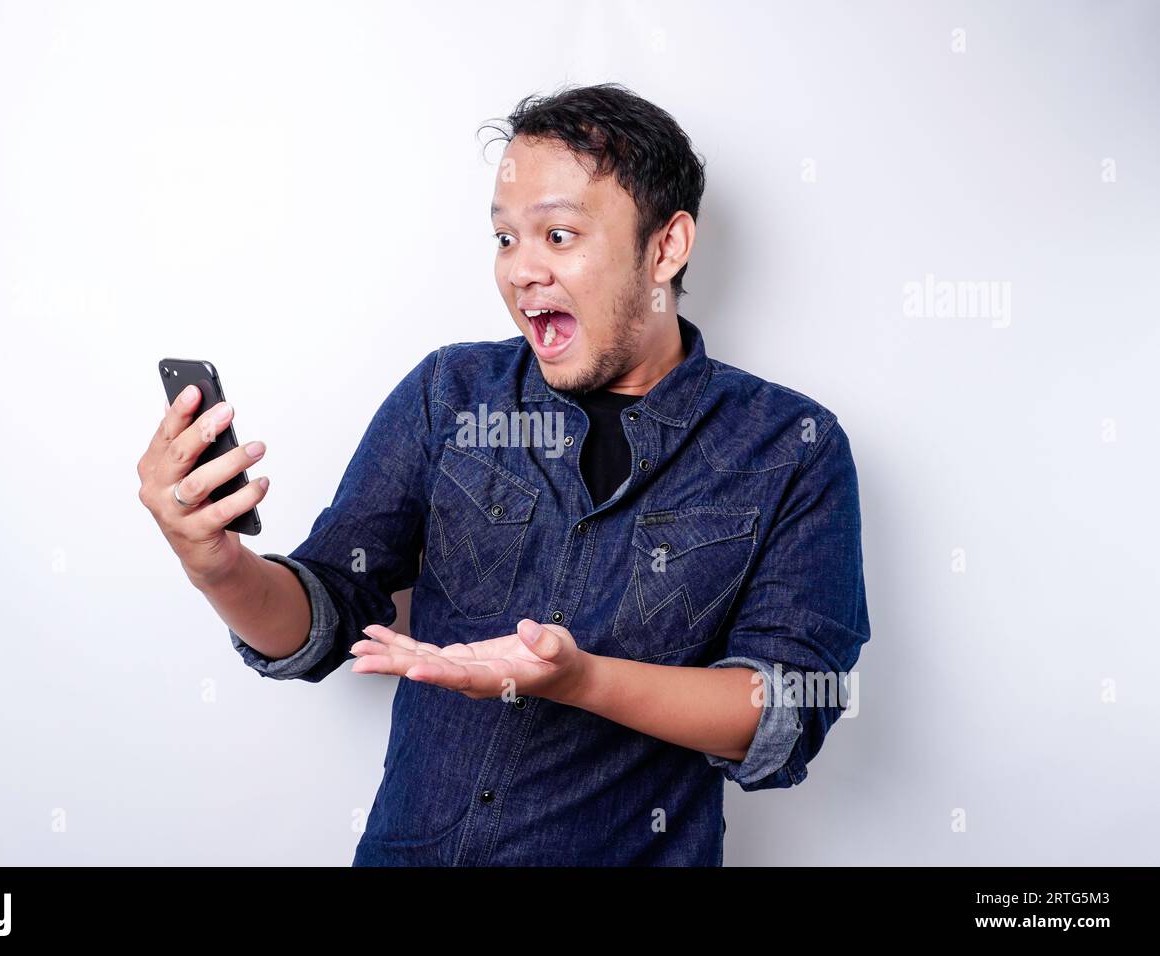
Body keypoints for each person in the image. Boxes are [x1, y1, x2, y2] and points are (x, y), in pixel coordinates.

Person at [136, 82, 871, 866]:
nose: (521, 271)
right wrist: (215, 566)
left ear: (666, 247)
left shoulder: (792, 445)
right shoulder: (449, 394)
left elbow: (785, 709)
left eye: (557, 235)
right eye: (504, 239)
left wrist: (580, 680)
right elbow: (322, 617)